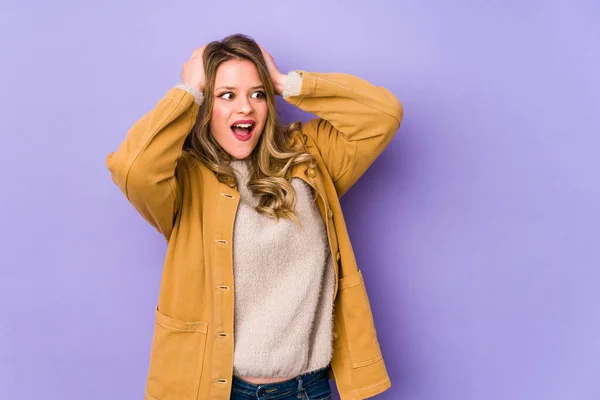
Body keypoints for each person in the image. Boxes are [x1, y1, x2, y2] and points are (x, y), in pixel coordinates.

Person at [106, 33, 403, 400]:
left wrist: (285, 82)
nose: (245, 107)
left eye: (257, 94)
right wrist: (188, 89)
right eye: (226, 95)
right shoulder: (184, 179)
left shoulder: (309, 157)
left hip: (305, 390)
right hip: (220, 390)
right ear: (205, 105)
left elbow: (383, 116)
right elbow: (131, 167)